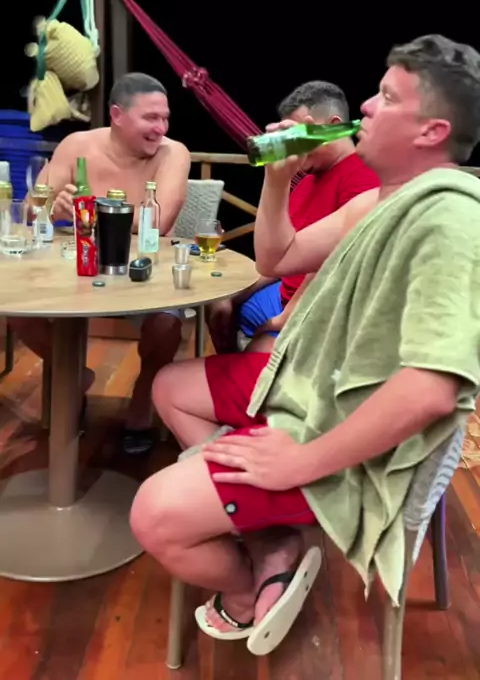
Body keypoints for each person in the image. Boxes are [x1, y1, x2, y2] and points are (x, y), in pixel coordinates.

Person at [129, 35, 480, 656]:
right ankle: (271, 540)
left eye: (386, 97)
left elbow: (433, 389)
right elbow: (278, 257)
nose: (364, 107)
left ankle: (246, 590)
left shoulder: (450, 219)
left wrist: (301, 462)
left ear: (432, 131)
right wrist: (276, 179)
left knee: (152, 513)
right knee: (171, 386)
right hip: (311, 390)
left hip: (354, 446)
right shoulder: (381, 201)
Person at [9, 72, 191, 454]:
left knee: (166, 325)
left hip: (144, 273)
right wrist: (53, 209)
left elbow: (158, 222)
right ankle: (74, 374)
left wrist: (88, 209)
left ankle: (143, 395)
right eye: (150, 118)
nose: (161, 128)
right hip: (78, 268)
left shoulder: (174, 153)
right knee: (19, 313)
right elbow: (31, 208)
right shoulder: (77, 145)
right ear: (117, 115)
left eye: (165, 118)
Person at [207, 81, 379, 354]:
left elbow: (329, 266)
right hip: (281, 294)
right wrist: (231, 293)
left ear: (332, 126)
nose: (291, 146)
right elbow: (279, 256)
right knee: (217, 305)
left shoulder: (363, 178)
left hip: (316, 310)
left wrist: (283, 318)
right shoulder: (307, 181)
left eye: (297, 135)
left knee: (256, 349)